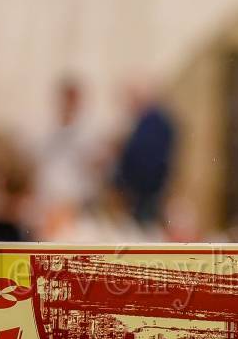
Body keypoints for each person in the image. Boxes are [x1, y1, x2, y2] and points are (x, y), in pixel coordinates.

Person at [30, 76, 102, 238]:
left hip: (76, 196)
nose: (68, 103)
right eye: (66, 98)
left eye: (72, 99)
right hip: (49, 195)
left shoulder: (89, 130)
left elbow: (95, 162)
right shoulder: (46, 127)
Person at [113, 82, 176, 225]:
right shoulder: (153, 121)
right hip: (148, 188)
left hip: (144, 189)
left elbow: (140, 156)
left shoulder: (152, 122)